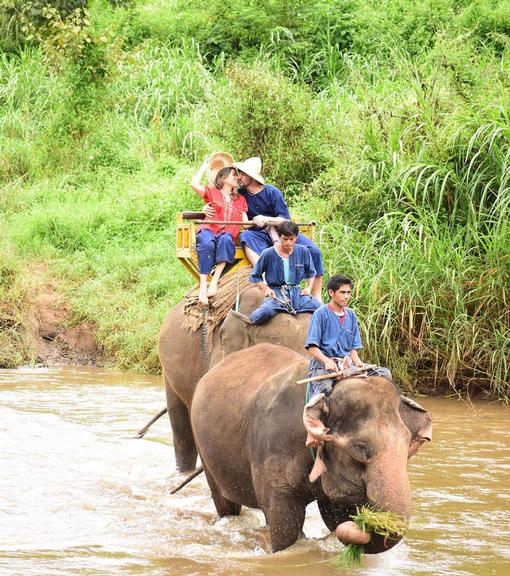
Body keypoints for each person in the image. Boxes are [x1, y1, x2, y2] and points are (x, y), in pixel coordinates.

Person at [205, 157, 324, 300]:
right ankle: (263, 276)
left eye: (242, 174)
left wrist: (267, 219)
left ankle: (317, 296)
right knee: (245, 237)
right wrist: (206, 207)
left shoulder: (272, 192)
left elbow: (285, 219)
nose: (239, 177)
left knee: (315, 251)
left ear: (252, 177)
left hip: (282, 232)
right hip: (258, 234)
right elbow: (219, 196)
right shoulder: (240, 193)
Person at [305, 274, 393, 399]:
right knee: (324, 393)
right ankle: (315, 417)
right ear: (331, 292)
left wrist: (358, 363)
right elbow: (312, 347)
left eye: (349, 292)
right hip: (324, 365)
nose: (346, 296)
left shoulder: (351, 315)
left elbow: (352, 348)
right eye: (342, 292)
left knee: (385, 374)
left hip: (346, 365)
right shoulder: (320, 314)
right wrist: (327, 361)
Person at [191, 158, 248, 305]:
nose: (236, 177)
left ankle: (214, 281)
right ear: (223, 179)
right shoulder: (212, 192)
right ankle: (204, 285)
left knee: (226, 240)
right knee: (207, 243)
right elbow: (194, 184)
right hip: (209, 229)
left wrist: (263, 222)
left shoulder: (240, 200)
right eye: (233, 175)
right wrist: (203, 167)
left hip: (226, 234)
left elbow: (246, 222)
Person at [242, 220, 321, 324]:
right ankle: (246, 324)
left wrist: (308, 288)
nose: (288, 242)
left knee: (319, 308)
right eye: (285, 239)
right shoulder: (268, 253)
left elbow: (311, 272)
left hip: (297, 294)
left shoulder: (303, 251)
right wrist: (266, 289)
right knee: (265, 311)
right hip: (277, 294)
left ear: (296, 238)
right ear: (279, 237)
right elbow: (255, 276)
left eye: (291, 239)